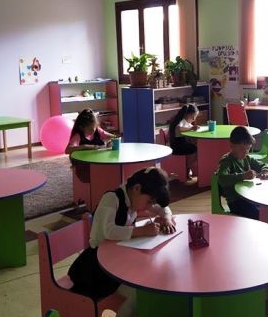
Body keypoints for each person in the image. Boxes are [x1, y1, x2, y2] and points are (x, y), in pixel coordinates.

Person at [67, 167, 175, 317]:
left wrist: (167, 219)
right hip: (97, 266)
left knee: (146, 287)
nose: (150, 207)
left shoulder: (136, 199)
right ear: (137, 188)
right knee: (138, 295)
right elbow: (109, 231)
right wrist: (142, 231)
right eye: (149, 201)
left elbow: (163, 208)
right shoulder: (111, 199)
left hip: (118, 261)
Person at [215, 126, 268, 219]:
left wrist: (265, 171)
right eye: (242, 149)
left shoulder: (247, 158)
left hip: (248, 196)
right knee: (259, 214)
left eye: (248, 149)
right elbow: (222, 179)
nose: (245, 152)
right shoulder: (226, 161)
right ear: (231, 145)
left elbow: (266, 165)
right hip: (236, 201)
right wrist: (242, 176)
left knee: (267, 207)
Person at [168, 104, 199, 179]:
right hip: (177, 146)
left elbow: (189, 127)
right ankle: (189, 165)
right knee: (195, 149)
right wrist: (191, 128)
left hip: (180, 144)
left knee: (194, 145)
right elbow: (179, 128)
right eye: (193, 117)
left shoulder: (184, 121)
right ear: (187, 114)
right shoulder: (181, 121)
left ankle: (189, 166)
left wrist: (192, 128)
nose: (194, 119)